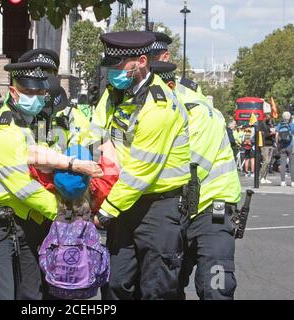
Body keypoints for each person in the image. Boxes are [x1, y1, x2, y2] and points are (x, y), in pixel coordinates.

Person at [0, 58, 103, 300]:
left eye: (40, 91)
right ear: (13, 92)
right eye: (28, 91)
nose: (35, 96)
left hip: (18, 225)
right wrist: (68, 215)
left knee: (32, 293)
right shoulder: (4, 131)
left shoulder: (27, 127)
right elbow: (25, 188)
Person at [86, 31, 191, 300]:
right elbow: (93, 133)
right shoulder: (114, 95)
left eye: (118, 66)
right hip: (123, 201)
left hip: (157, 208)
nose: (112, 72)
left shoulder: (159, 106)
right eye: (109, 66)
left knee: (156, 288)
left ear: (142, 61)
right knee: (115, 284)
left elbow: (140, 172)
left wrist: (105, 212)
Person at [150, 61, 242, 299]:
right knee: (167, 283)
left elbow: (190, 168)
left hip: (214, 207)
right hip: (181, 208)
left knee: (215, 282)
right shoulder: (165, 107)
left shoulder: (199, 111)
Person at [276, 111, 294, 186]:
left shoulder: (279, 125)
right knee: (292, 164)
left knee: (283, 164)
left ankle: (282, 181)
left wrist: (277, 145)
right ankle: (293, 182)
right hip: (291, 146)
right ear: (289, 117)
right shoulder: (292, 125)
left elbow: (276, 136)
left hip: (282, 147)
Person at [260, 117, 275, 184]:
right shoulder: (263, 126)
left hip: (271, 145)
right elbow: (264, 136)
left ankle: (265, 177)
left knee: (268, 162)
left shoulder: (270, 126)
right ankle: (261, 177)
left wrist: (274, 134)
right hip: (265, 145)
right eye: (270, 122)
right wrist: (271, 134)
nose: (271, 123)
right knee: (265, 162)